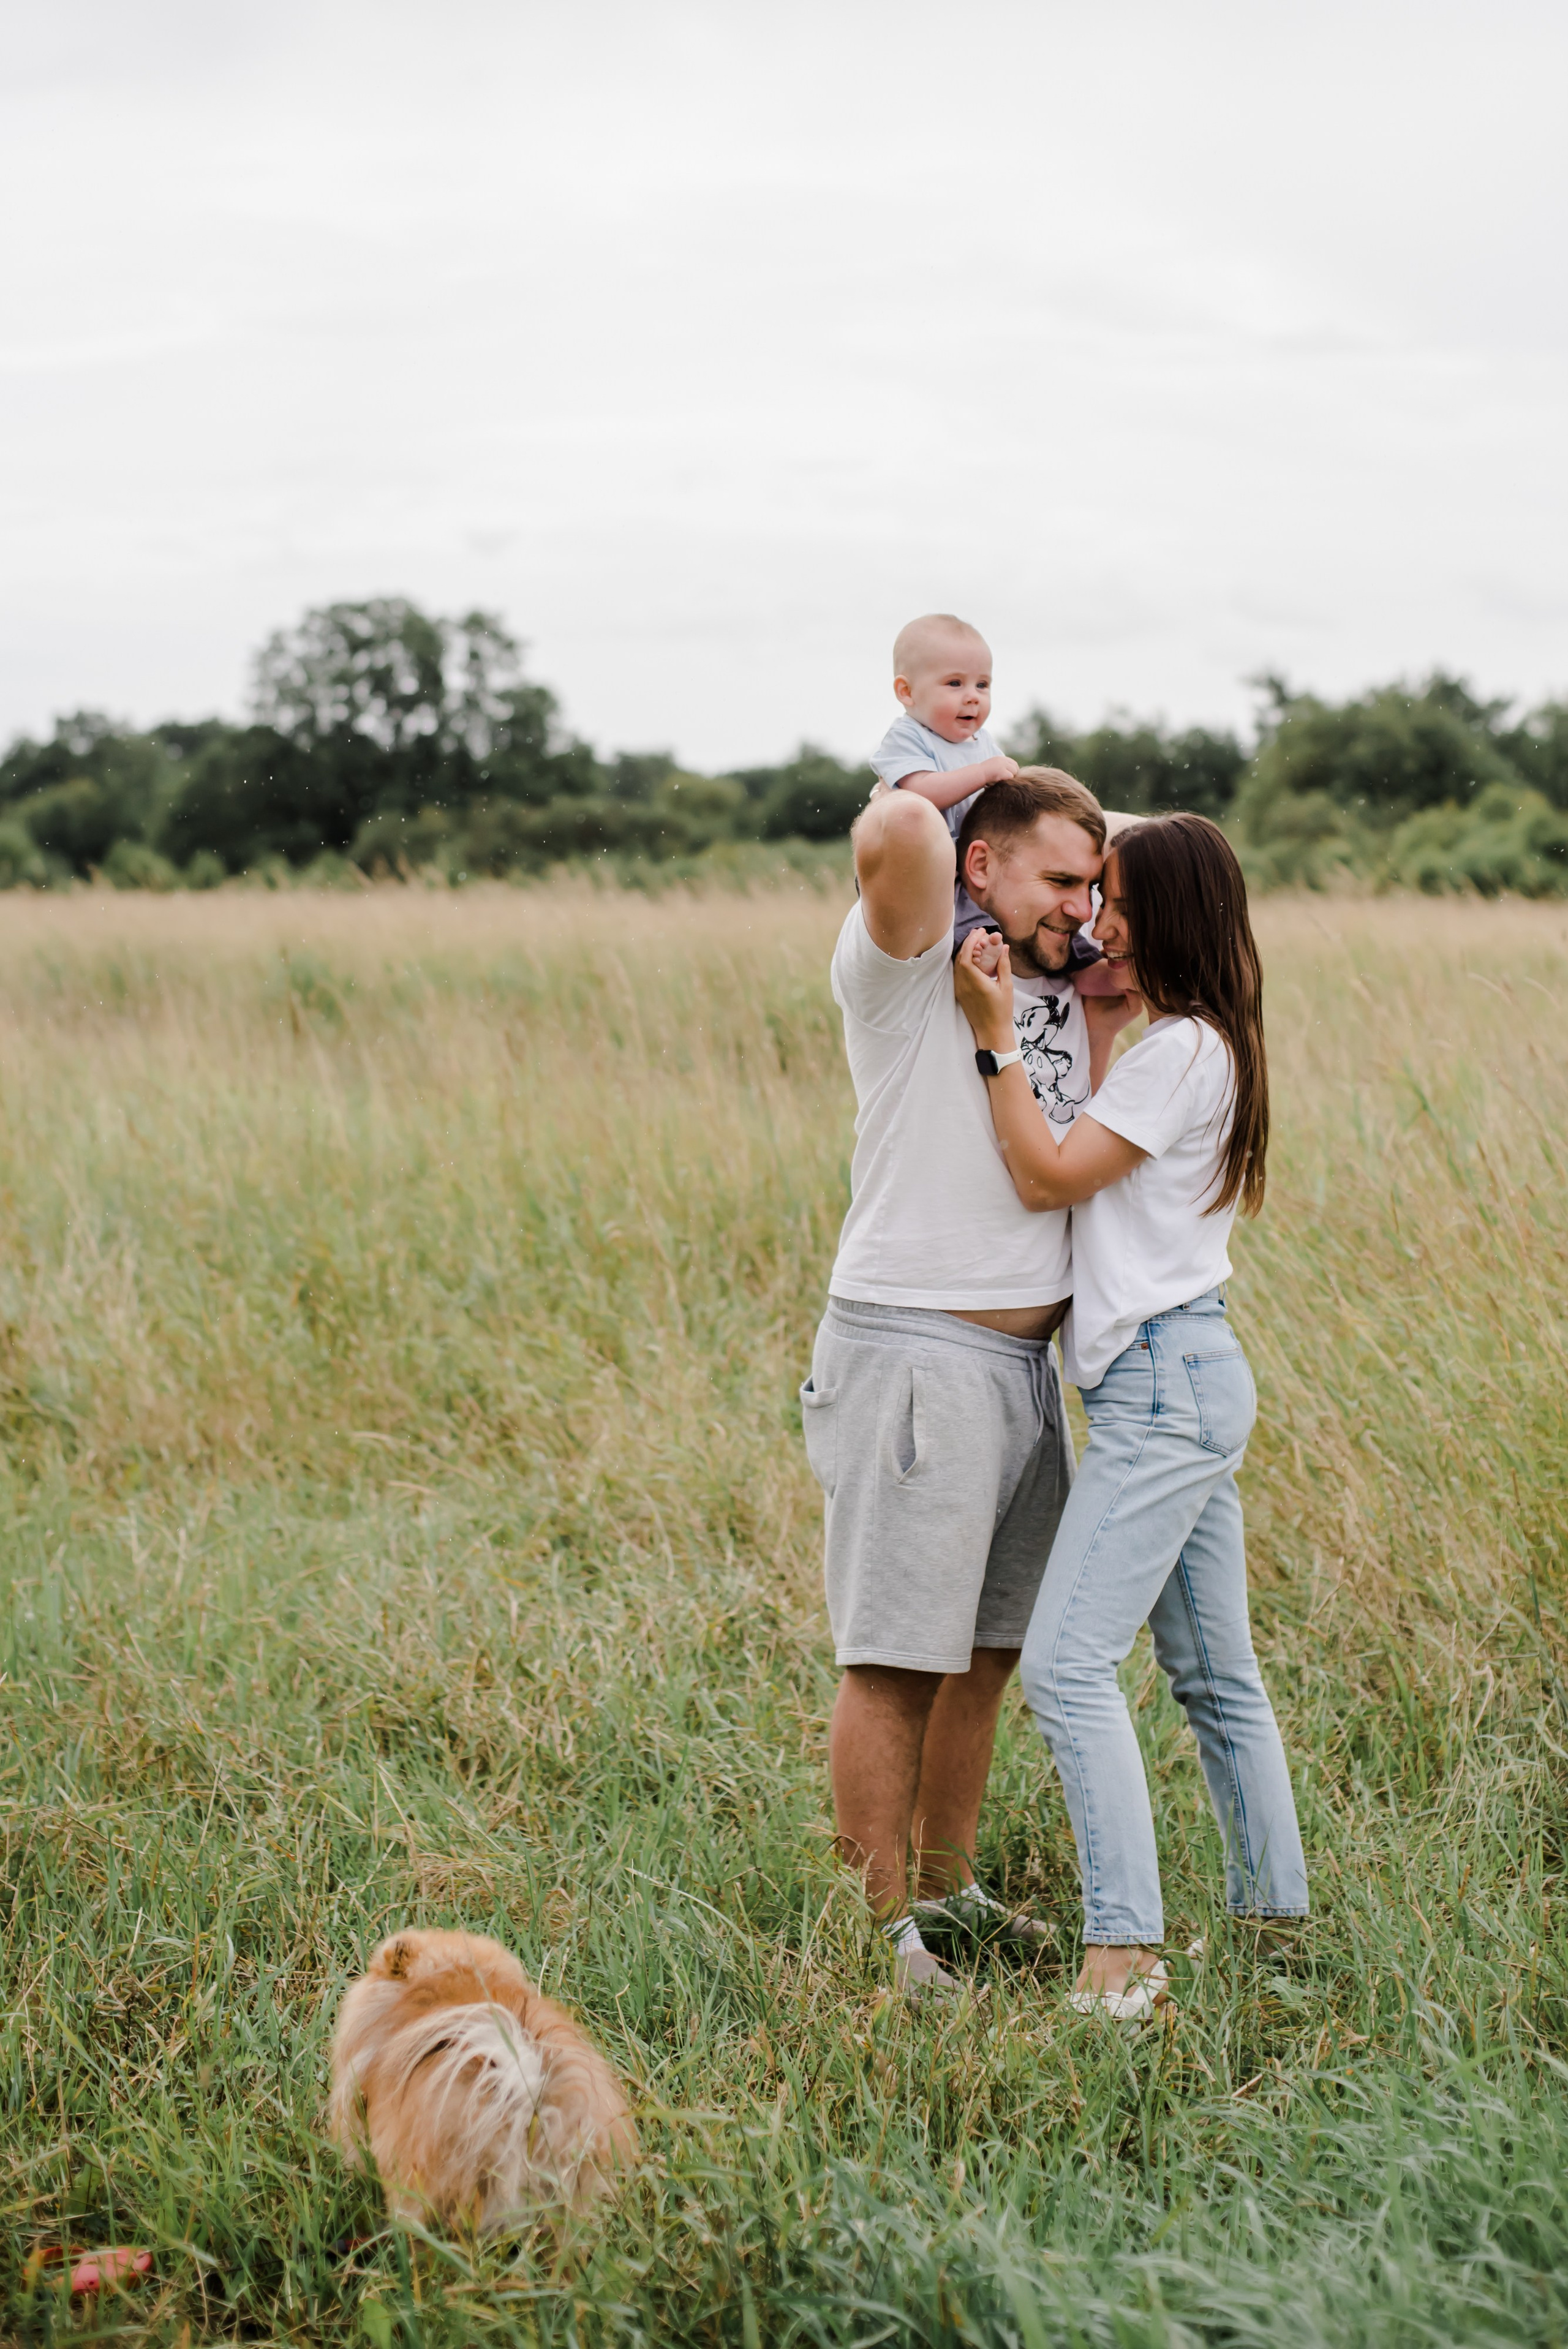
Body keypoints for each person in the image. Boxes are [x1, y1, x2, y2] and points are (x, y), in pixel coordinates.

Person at [954, 811, 1308, 2021]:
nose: (1094, 918)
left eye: (1111, 897)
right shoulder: (1204, 1044)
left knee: (1064, 1669)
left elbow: (1047, 1174)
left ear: (1164, 912)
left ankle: (1121, 1960)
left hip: (1161, 1388)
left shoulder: (1178, 1054)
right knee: (1216, 1679)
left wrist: (994, 1037)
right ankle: (1272, 1935)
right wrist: (1095, 1019)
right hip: (1184, 1375)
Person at [802, 768, 1128, 2000]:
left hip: (1022, 1367)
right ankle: (880, 1936)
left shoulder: (1058, 981)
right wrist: (980, 770)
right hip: (916, 1346)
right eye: (1059, 880)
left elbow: (1155, 859)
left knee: (984, 1656)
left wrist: (1077, 853)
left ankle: (948, 1895)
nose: (1081, 907)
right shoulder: (907, 964)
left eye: (1092, 885)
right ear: (978, 865)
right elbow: (895, 827)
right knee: (896, 1658)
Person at [869, 613, 1020, 947]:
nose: (973, 696)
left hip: (969, 868)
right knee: (956, 926)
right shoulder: (908, 736)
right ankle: (973, 950)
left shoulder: (984, 744)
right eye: (955, 683)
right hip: (920, 872)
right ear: (907, 692)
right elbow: (921, 792)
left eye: (982, 685)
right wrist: (983, 773)